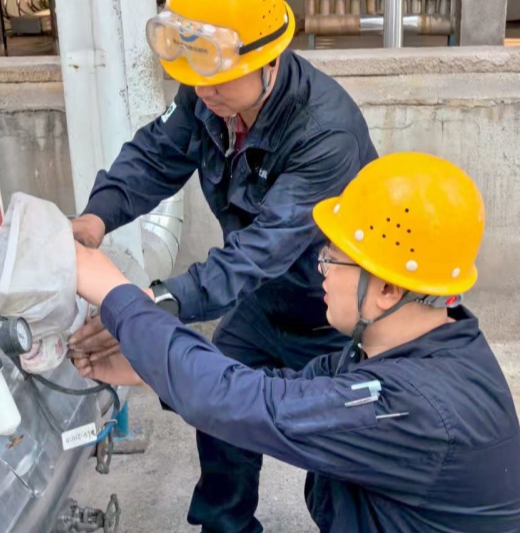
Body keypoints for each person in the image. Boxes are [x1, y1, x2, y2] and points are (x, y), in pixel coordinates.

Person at [73, 152, 520, 532]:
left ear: (389, 289)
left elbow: (248, 406)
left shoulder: (407, 406)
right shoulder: (423, 343)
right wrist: (151, 372)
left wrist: (118, 295)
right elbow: (277, 388)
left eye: (333, 258)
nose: (322, 270)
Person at [68, 0, 377, 530]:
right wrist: (97, 217)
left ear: (269, 60)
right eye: (194, 77)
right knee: (216, 414)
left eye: (219, 78)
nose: (203, 91)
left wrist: (153, 306)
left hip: (335, 313)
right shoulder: (206, 93)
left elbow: (261, 250)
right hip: (261, 302)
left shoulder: (325, 134)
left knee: (339, 462)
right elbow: (155, 155)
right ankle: (226, 525)